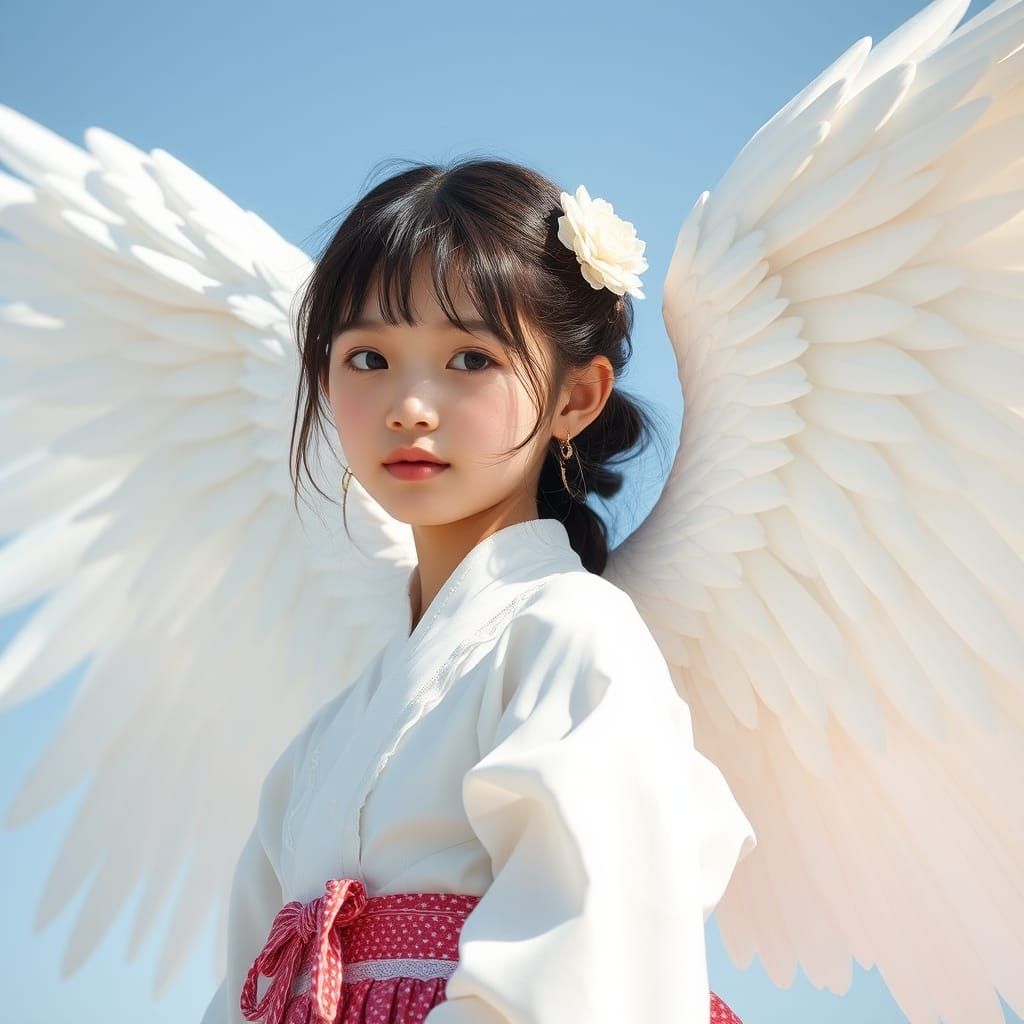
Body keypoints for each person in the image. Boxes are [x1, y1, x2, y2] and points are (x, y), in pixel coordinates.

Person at [200, 158, 756, 1024]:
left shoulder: (573, 636)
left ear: (576, 397)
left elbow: (583, 967)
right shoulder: (321, 744)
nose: (409, 406)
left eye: (469, 358)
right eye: (368, 357)